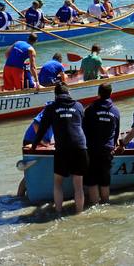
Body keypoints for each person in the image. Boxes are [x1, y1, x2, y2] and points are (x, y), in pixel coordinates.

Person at [33, 83, 88, 214]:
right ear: (69, 93)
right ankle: (79, 213)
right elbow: (84, 127)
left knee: (58, 183)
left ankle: (58, 213)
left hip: (62, 148)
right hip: (80, 147)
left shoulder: (51, 107)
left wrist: (35, 145)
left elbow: (42, 129)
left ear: (56, 95)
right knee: (78, 185)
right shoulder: (79, 106)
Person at [83, 83, 121, 204]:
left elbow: (83, 129)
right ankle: (105, 203)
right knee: (105, 179)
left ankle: (94, 205)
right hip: (107, 149)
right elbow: (117, 132)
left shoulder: (90, 109)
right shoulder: (115, 111)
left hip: (92, 148)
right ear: (111, 94)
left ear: (98, 93)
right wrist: (114, 145)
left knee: (92, 180)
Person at [17, 108, 54, 198]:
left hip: (44, 140)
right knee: (30, 173)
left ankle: (20, 197)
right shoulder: (51, 107)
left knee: (37, 170)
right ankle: (19, 196)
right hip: (31, 140)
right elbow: (36, 123)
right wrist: (41, 140)